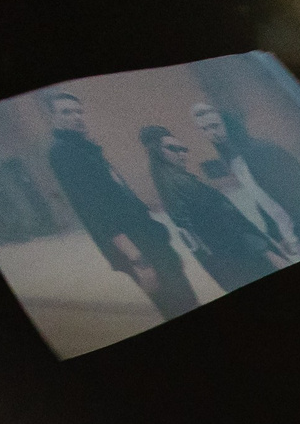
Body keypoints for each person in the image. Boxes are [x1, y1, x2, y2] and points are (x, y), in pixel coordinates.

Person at [43, 93, 197, 321]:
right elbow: (93, 209)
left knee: (186, 299)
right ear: (52, 117)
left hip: (147, 236)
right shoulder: (63, 152)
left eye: (78, 111)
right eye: (66, 112)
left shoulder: (82, 147)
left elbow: (117, 191)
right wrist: (136, 259)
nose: (76, 117)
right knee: (177, 305)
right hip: (136, 244)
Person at [136, 125, 284, 296]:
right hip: (244, 258)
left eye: (183, 149)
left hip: (224, 265)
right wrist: (266, 252)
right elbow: (226, 225)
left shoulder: (167, 185)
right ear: (156, 152)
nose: (183, 154)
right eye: (173, 149)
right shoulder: (184, 185)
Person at [192, 102, 300, 251]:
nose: (211, 133)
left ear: (228, 124)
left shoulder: (262, 151)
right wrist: (278, 235)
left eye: (215, 126)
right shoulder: (236, 161)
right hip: (297, 237)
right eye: (204, 129)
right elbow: (262, 198)